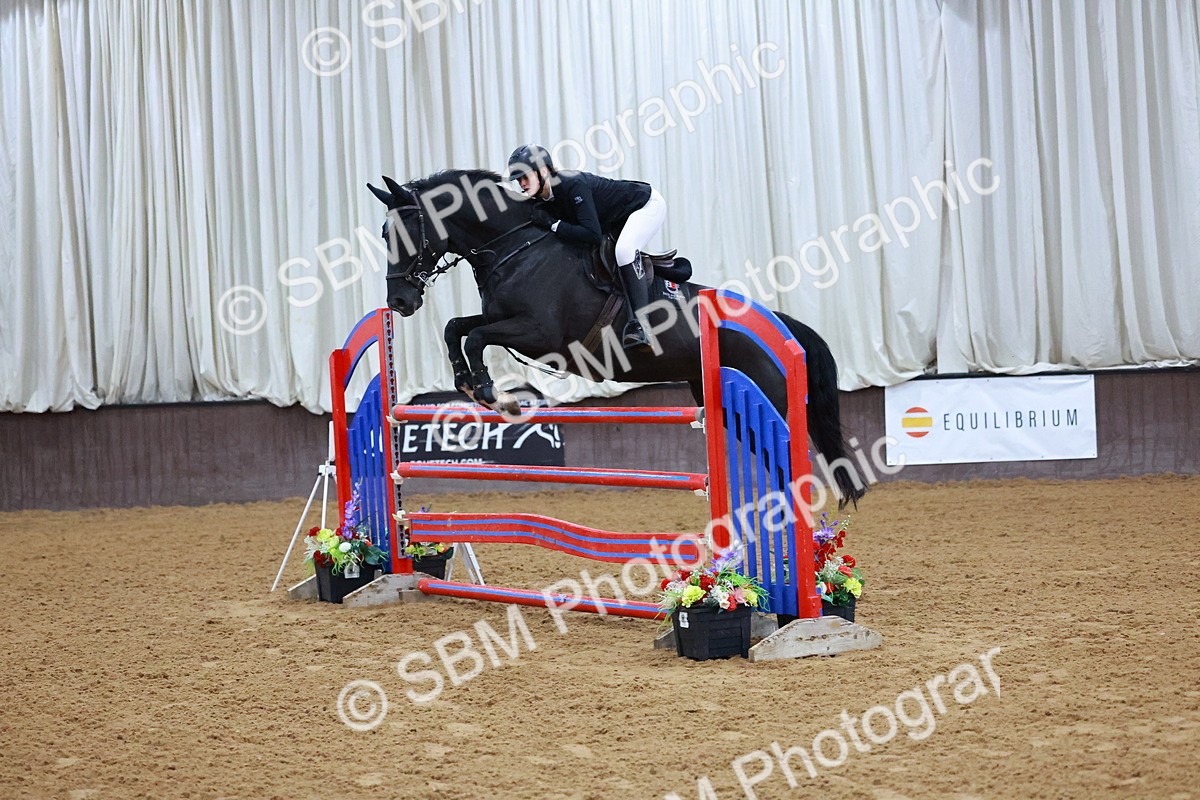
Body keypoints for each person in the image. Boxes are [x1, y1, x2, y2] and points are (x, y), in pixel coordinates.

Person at [506, 144, 667, 350]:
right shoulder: (542, 198)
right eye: (518, 179)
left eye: (525, 177)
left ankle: (641, 326)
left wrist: (555, 225)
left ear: (543, 171)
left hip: (645, 205)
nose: (522, 183)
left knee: (624, 251)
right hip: (616, 218)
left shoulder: (572, 184)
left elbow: (592, 235)